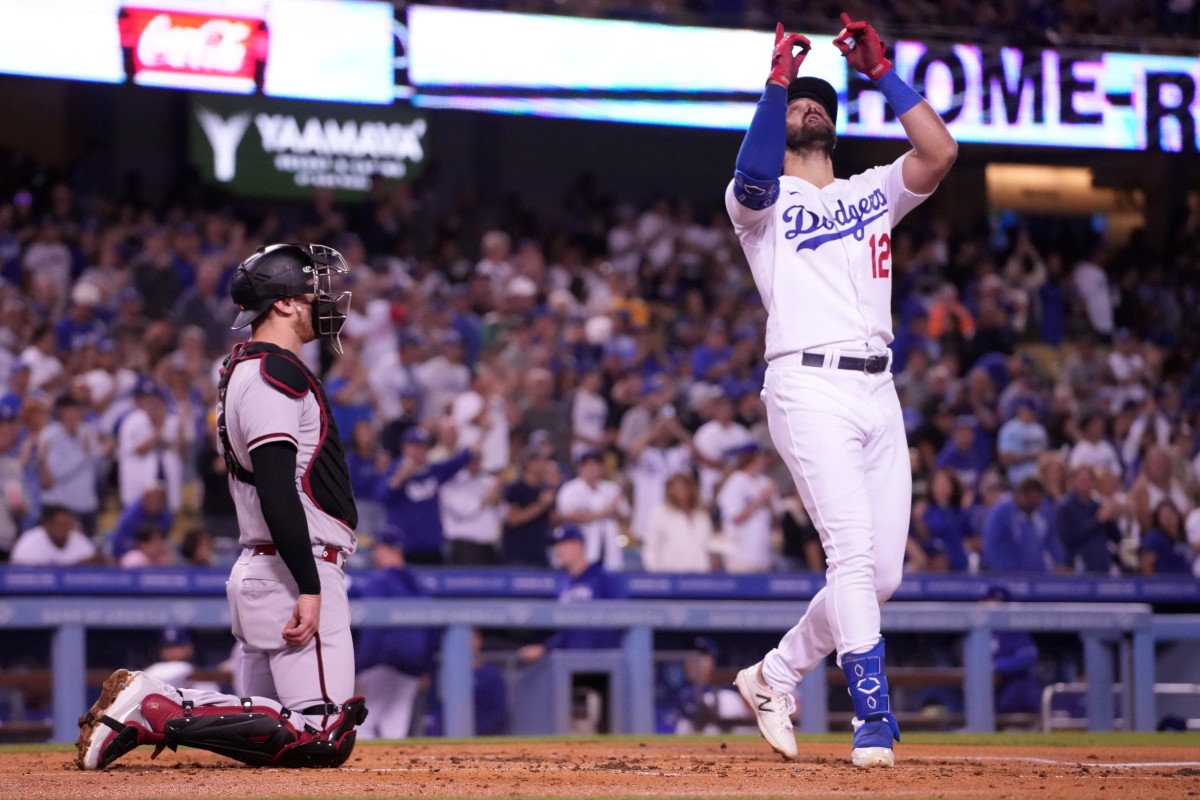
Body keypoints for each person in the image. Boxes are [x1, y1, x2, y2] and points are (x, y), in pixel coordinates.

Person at [725, 13, 957, 767]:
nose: (808, 108)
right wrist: (776, 83)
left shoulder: (873, 191)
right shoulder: (757, 209)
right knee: (851, 554)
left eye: (818, 102)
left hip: (877, 390)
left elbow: (940, 151)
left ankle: (776, 673)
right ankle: (872, 717)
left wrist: (883, 74)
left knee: (881, 573)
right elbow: (755, 172)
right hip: (806, 383)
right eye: (798, 106)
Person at [76, 242, 367, 770]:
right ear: (281, 303)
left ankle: (157, 707)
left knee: (270, 733)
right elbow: (278, 487)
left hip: (268, 564)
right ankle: (155, 705)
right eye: (311, 289)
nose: (323, 300)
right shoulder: (273, 372)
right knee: (321, 734)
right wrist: (306, 583)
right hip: (290, 567)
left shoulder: (246, 369)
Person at [350, 527, 436, 740]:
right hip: (412, 665)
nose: (375, 553)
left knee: (365, 723)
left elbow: (372, 629)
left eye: (377, 548)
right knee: (396, 724)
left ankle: (362, 773)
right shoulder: (418, 583)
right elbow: (431, 631)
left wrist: (358, 667)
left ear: (384, 548)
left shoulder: (379, 581)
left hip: (381, 660)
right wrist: (425, 667)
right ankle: (397, 773)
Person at [555, 448, 629, 571]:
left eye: (596, 464)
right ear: (580, 468)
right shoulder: (570, 489)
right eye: (587, 464)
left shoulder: (611, 489)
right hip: (581, 556)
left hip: (609, 554)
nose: (592, 468)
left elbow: (625, 517)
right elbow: (572, 517)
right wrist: (605, 512)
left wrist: (613, 512)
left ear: (602, 469)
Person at [981, 477, 1064, 573]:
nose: (1034, 504)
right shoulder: (1001, 511)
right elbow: (991, 545)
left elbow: (1052, 539)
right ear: (1019, 495)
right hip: (1009, 573)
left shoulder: (1045, 509)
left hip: (1038, 573)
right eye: (1030, 500)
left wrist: (1059, 562)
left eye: (1037, 500)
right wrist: (1003, 570)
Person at [10, 505, 101, 566]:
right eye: (59, 524)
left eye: (67, 524)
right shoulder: (29, 542)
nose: (64, 529)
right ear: (46, 525)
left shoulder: (80, 541)